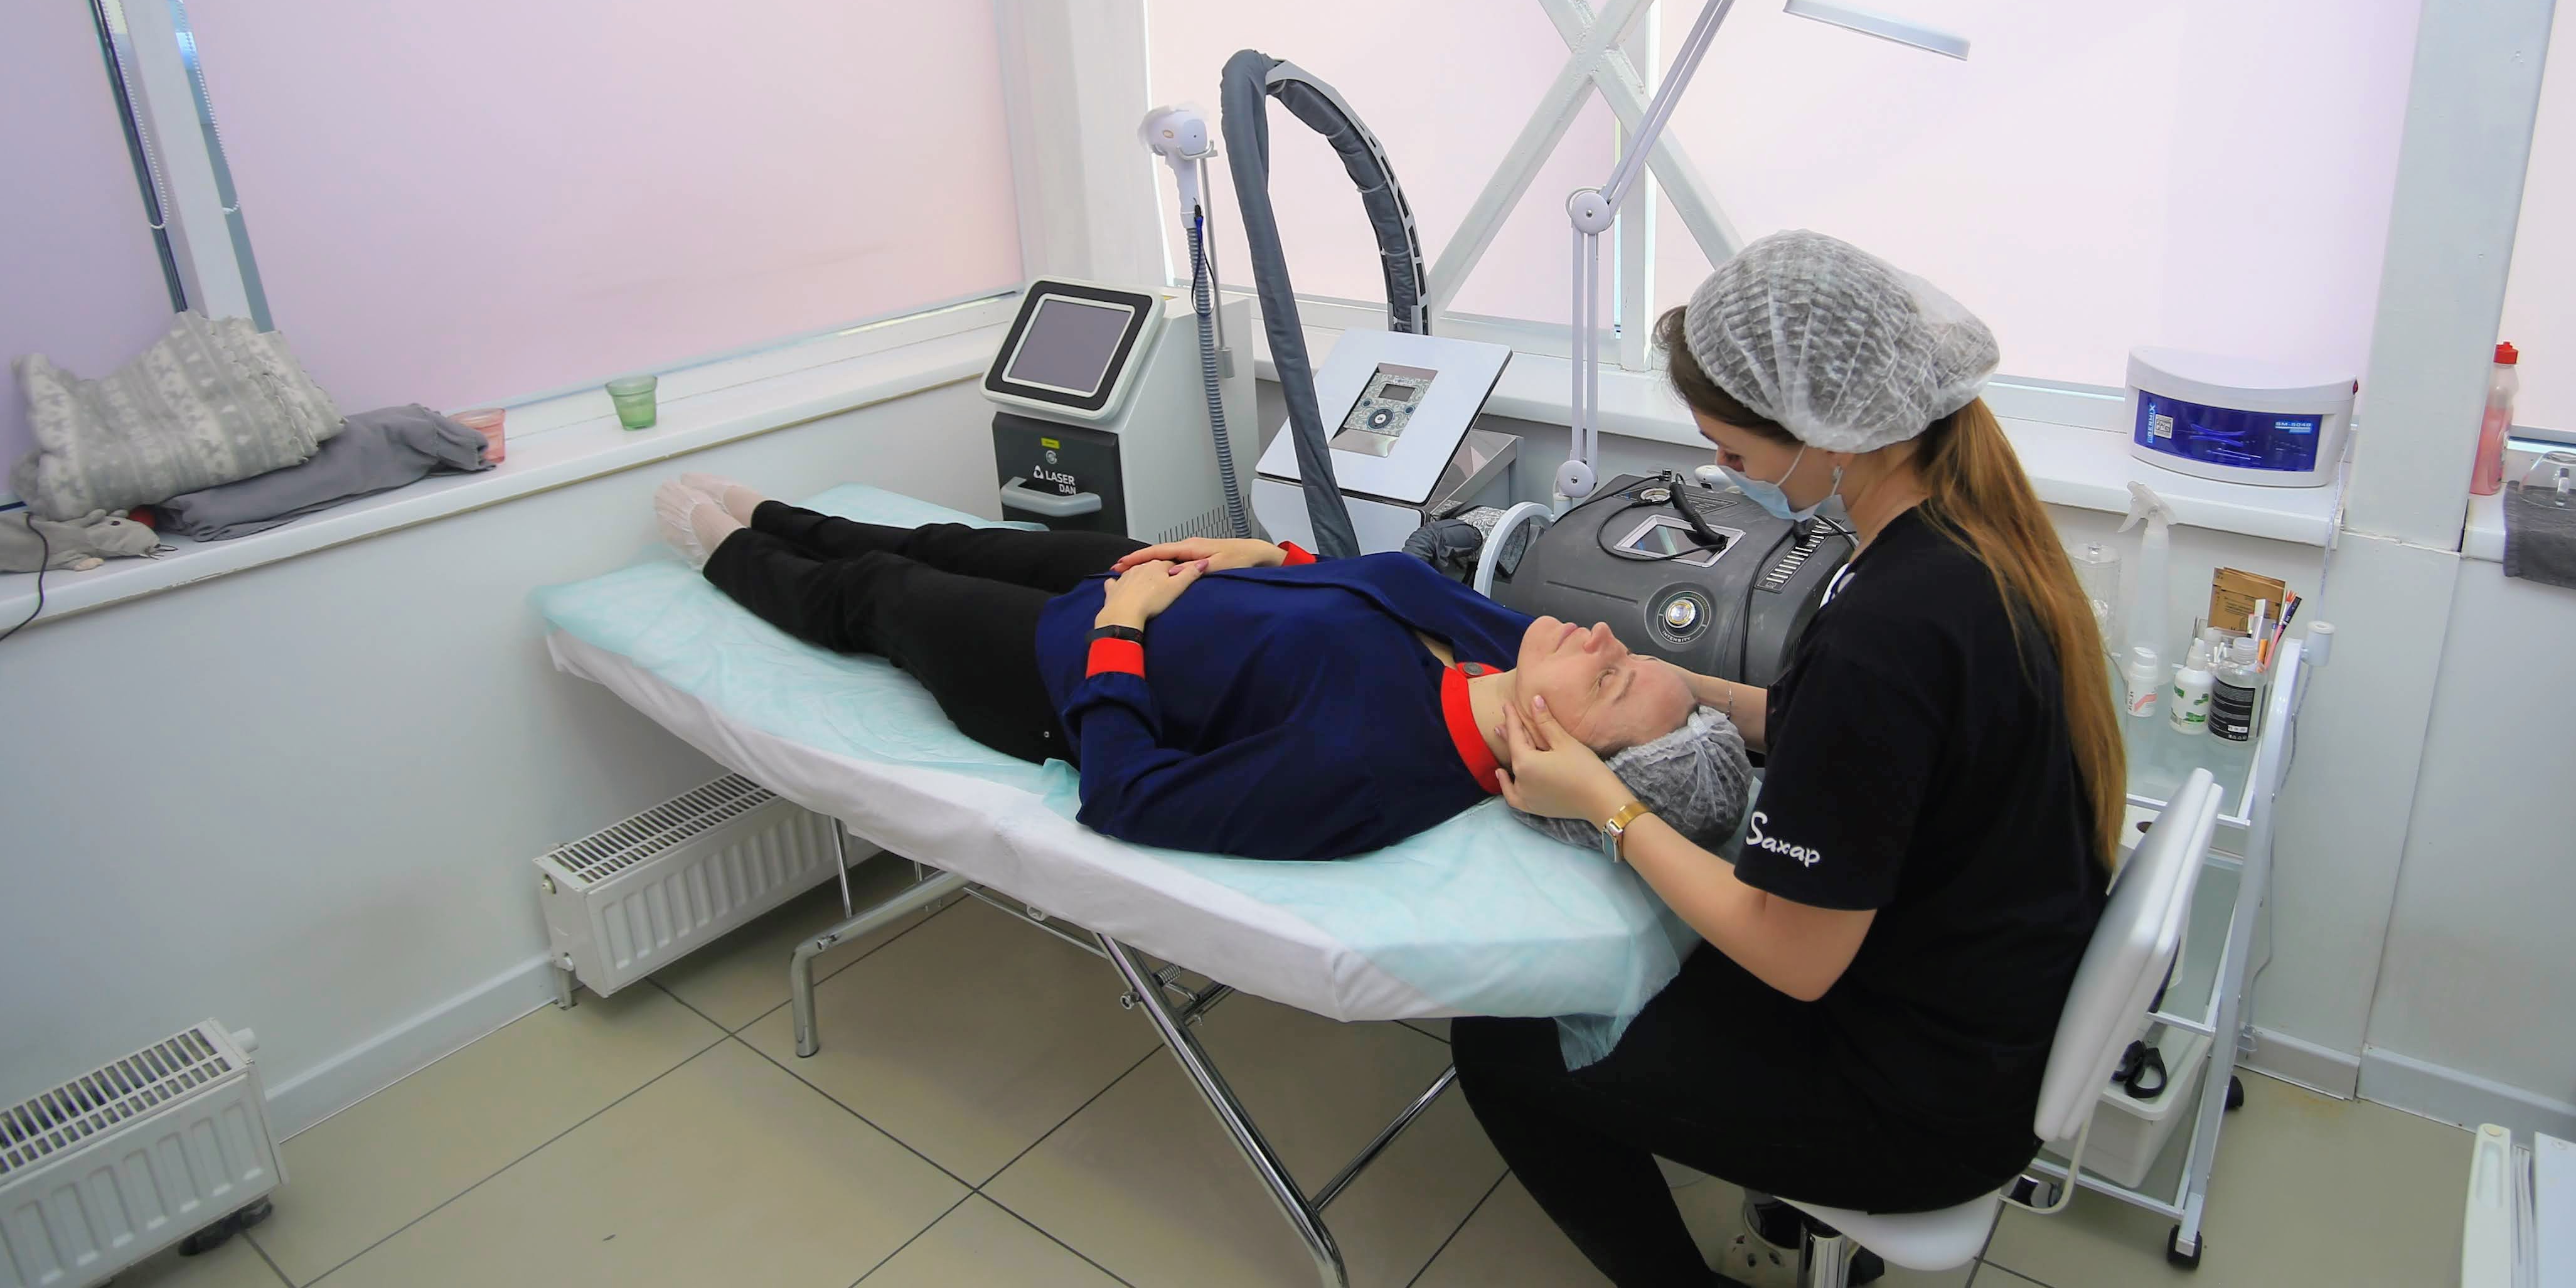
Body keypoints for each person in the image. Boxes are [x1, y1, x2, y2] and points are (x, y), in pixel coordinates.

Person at [1446, 229, 2125, 1288]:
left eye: (1730, 446)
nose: (1724, 470)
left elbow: (1794, 956)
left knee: (1502, 1043)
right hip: (1975, 1020)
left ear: (1827, 429)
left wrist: (1604, 803)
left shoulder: (1887, 629)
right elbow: (1850, 734)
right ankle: (1783, 1224)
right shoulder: (1956, 548)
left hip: (1917, 1100)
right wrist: (1679, 684)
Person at [646, 476, 1751, 862]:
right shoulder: (1507, 648)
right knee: (951, 539)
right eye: (1629, 654)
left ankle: (732, 555)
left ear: (1556, 760)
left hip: (1054, 669)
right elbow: (1368, 588)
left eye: (1612, 682)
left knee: (881, 595)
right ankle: (784, 515)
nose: (1603, 640)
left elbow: (1126, 796)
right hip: (1178, 581)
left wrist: (1121, 632)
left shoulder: (1373, 773)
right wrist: (1270, 557)